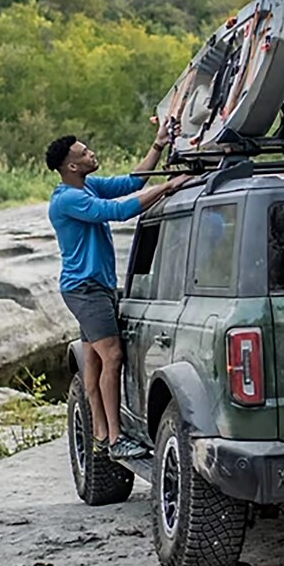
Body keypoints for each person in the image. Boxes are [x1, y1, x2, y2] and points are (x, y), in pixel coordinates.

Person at [47, 127, 192, 460]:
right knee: (112, 356)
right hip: (85, 290)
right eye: (84, 153)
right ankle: (115, 438)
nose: (91, 154)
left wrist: (157, 145)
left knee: (95, 363)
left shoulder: (86, 186)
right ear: (71, 166)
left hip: (95, 287)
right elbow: (117, 211)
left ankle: (99, 431)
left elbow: (130, 183)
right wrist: (168, 186)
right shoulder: (68, 199)